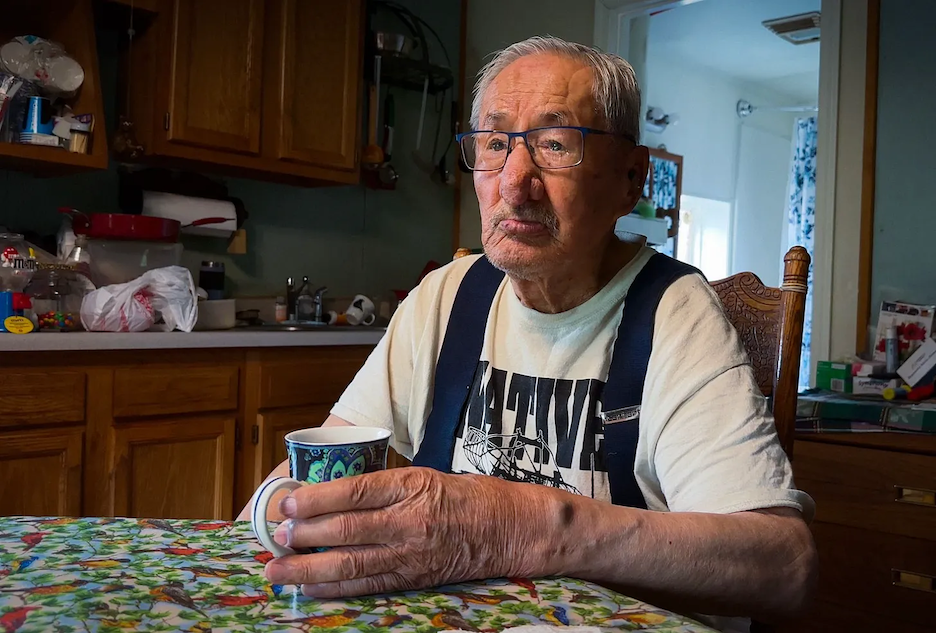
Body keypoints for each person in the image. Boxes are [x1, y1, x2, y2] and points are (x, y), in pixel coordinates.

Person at [239, 36, 817, 628]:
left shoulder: (674, 314)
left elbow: (782, 567)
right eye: (494, 144)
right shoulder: (448, 294)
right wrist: (275, 512)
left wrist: (535, 529)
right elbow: (319, 462)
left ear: (630, 178)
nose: (515, 181)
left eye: (555, 144)